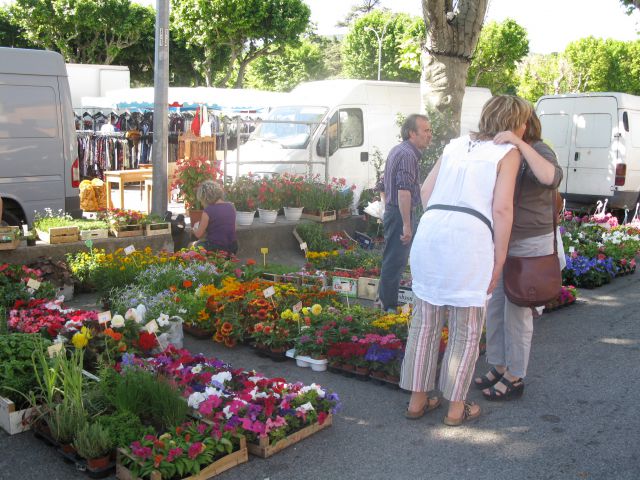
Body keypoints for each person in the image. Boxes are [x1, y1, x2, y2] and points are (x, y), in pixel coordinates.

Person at [400, 95, 529, 426]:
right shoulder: (508, 152)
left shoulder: (455, 144)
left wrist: (442, 224)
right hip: (469, 238)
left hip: (432, 232)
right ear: (517, 125)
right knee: (466, 328)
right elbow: (501, 209)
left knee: (425, 321)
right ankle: (455, 409)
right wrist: (499, 257)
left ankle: (417, 400)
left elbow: (426, 192)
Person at [474, 110, 563, 401]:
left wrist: (520, 143)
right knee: (497, 308)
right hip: (504, 240)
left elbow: (550, 177)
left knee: (518, 313)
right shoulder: (502, 150)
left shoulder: (538, 149)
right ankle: (500, 365)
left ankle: (516, 375)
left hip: (529, 243)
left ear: (525, 125)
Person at [377, 114, 432, 312]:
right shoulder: (408, 155)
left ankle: (385, 301)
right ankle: (388, 308)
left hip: (395, 212)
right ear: (411, 133)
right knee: (395, 261)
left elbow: (382, 185)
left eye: (430, 130)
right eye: (425, 130)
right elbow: (403, 191)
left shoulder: (398, 150)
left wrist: (387, 208)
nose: (430, 135)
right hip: (401, 214)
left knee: (393, 259)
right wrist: (406, 224)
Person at [192, 181, 238, 256]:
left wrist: (194, 230)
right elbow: (234, 228)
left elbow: (198, 234)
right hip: (232, 246)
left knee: (192, 245)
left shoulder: (208, 211)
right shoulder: (231, 206)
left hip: (215, 248)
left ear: (205, 197)